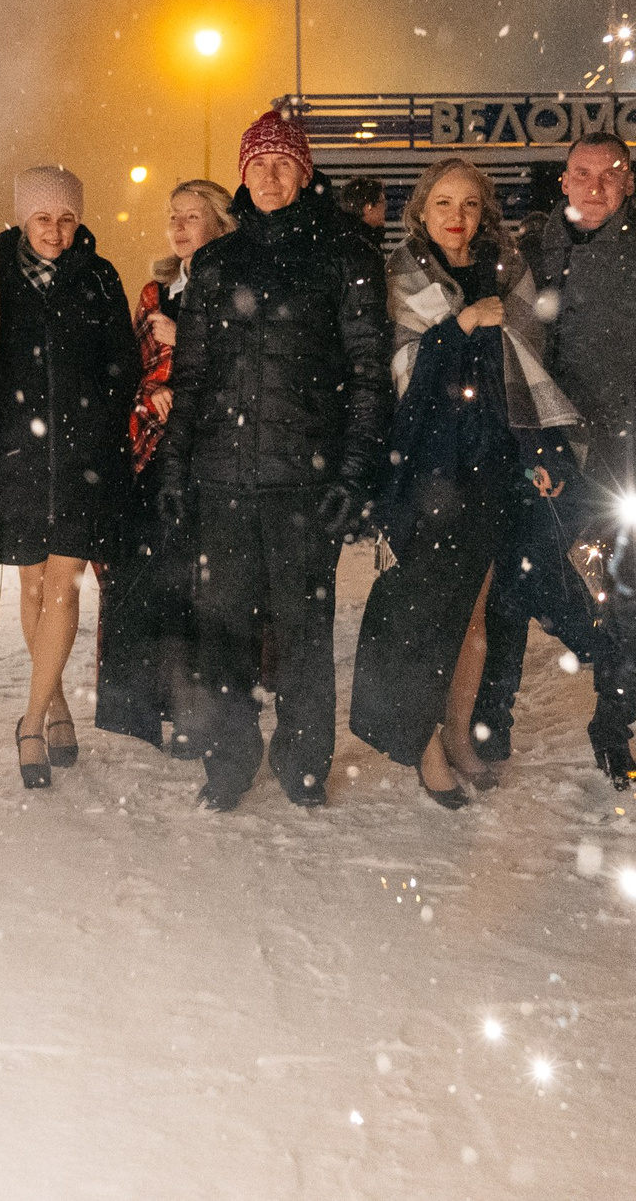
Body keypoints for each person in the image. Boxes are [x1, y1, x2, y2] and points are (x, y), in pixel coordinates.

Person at [155, 110, 392, 811]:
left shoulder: (345, 253)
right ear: (242, 173)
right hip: (222, 477)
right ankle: (229, 758)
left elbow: (368, 373)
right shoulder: (217, 263)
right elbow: (192, 377)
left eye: (283, 162)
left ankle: (303, 759)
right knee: (222, 630)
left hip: (304, 481)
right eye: (257, 163)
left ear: (304, 171)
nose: (269, 175)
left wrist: (354, 472)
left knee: (304, 631)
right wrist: (175, 468)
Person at [353, 159, 585, 806]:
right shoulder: (400, 276)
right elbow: (403, 374)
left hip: (490, 466)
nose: (456, 217)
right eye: (443, 203)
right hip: (427, 469)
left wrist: (535, 454)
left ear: (485, 213)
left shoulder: (509, 275)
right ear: (421, 210)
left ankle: (458, 732)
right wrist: (459, 326)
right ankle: (423, 742)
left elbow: (529, 374)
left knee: (474, 615)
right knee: (426, 614)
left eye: (470, 204)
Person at [518, 131, 636, 780]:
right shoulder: (532, 255)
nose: (595, 186)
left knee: (623, 601)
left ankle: (613, 727)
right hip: (545, 461)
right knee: (532, 587)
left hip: (627, 463)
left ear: (629, 183)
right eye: (582, 173)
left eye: (610, 174)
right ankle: (491, 727)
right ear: (563, 180)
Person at [0, 166, 138, 789]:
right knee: (32, 586)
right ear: (24, 218)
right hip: (17, 456)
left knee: (63, 586)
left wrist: (97, 428)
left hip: (81, 458)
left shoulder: (99, 277)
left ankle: (29, 723)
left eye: (67, 218)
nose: (55, 231)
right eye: (43, 218)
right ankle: (55, 705)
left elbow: (122, 365)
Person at [96, 179, 236, 755]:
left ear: (221, 225)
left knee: (197, 590)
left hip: (212, 456)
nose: (178, 227)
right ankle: (143, 708)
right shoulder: (154, 292)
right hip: (153, 456)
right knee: (143, 581)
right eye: (173, 216)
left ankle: (195, 712)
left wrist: (190, 340)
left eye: (192, 216)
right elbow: (130, 370)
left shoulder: (237, 286)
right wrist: (146, 398)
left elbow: (251, 371)